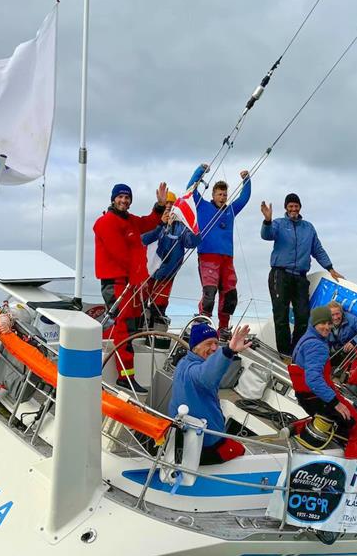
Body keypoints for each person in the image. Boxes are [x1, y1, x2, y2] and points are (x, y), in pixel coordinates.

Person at [94, 182, 168, 394]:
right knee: (124, 328)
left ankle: (128, 376)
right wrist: (139, 275)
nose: (124, 201)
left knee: (130, 328)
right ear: (113, 198)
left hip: (130, 284)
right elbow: (120, 254)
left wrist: (160, 206)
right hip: (118, 283)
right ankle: (124, 378)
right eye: (120, 197)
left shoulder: (130, 221)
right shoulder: (106, 222)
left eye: (127, 198)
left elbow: (148, 222)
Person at [261, 193, 344, 357]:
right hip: (280, 274)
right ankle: (285, 354)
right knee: (281, 316)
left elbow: (317, 249)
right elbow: (267, 235)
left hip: (300, 277)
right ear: (286, 208)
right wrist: (267, 220)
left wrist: (330, 268)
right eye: (290, 206)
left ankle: (295, 352)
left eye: (296, 206)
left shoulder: (308, 227)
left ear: (300, 207)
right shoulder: (278, 223)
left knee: (303, 317)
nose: (293, 209)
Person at [289, 307, 357, 460]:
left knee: (338, 420)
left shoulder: (306, 339)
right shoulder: (317, 346)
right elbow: (313, 379)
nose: (326, 327)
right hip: (317, 398)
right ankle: (356, 465)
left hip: (305, 397)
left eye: (329, 323)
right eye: (322, 323)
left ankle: (295, 428)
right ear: (314, 323)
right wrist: (336, 403)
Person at [169, 323, 250, 465]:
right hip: (205, 444)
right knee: (241, 451)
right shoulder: (194, 371)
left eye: (216, 343)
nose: (214, 348)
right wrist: (228, 350)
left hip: (181, 438)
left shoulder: (183, 362)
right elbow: (207, 375)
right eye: (208, 343)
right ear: (195, 347)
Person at [188, 164, 252, 336]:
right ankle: (203, 323)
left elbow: (244, 198)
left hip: (227, 258)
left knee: (230, 294)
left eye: (225, 194)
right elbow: (191, 188)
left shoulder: (230, 210)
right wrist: (200, 171)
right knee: (210, 291)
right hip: (208, 255)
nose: (223, 197)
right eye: (219, 194)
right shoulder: (203, 206)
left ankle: (223, 327)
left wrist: (247, 180)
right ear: (213, 195)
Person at [141, 191, 200, 323]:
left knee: (160, 303)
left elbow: (190, 243)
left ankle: (156, 323)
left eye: (171, 203)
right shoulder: (152, 221)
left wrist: (196, 230)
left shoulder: (181, 226)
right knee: (142, 302)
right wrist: (160, 223)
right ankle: (141, 322)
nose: (168, 206)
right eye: (166, 202)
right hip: (149, 270)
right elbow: (144, 239)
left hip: (168, 271)